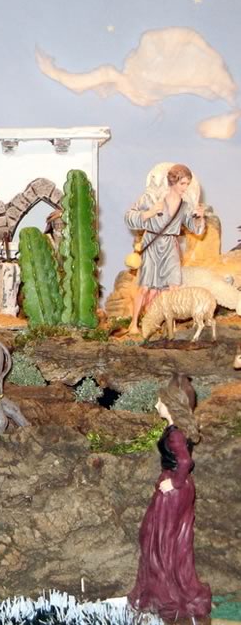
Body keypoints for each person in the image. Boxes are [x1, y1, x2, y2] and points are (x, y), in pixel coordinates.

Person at [128, 375, 211, 622]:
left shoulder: (175, 434)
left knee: (161, 539)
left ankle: (168, 594)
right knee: (168, 539)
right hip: (178, 488)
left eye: (160, 402)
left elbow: (185, 461)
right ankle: (171, 589)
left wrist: (174, 482)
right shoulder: (177, 430)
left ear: (171, 404)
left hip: (174, 489)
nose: (156, 405)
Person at [126, 164, 206, 334]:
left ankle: (168, 325)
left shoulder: (185, 206)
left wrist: (199, 218)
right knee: (145, 286)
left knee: (172, 286)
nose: (185, 187)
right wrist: (150, 213)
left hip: (171, 245)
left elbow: (195, 229)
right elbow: (129, 218)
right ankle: (133, 324)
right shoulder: (151, 198)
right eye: (182, 183)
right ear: (173, 181)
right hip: (152, 243)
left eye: (187, 184)